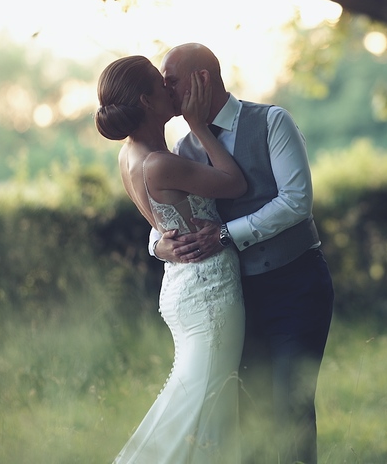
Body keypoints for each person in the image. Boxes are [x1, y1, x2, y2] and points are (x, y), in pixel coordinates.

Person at [149, 43, 334, 464]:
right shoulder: (184, 149)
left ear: (202, 79)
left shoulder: (271, 121)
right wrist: (158, 246)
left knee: (291, 407)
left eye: (172, 80)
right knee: (248, 411)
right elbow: (167, 215)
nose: (166, 89)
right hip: (237, 299)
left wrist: (227, 235)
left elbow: (296, 201)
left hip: (296, 287)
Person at [95, 55, 248, 463]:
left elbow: (166, 220)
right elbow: (234, 184)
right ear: (146, 101)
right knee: (203, 412)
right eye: (163, 86)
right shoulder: (159, 162)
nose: (172, 90)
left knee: (199, 408)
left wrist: (156, 244)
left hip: (184, 285)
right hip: (209, 292)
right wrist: (198, 125)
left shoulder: (130, 155)